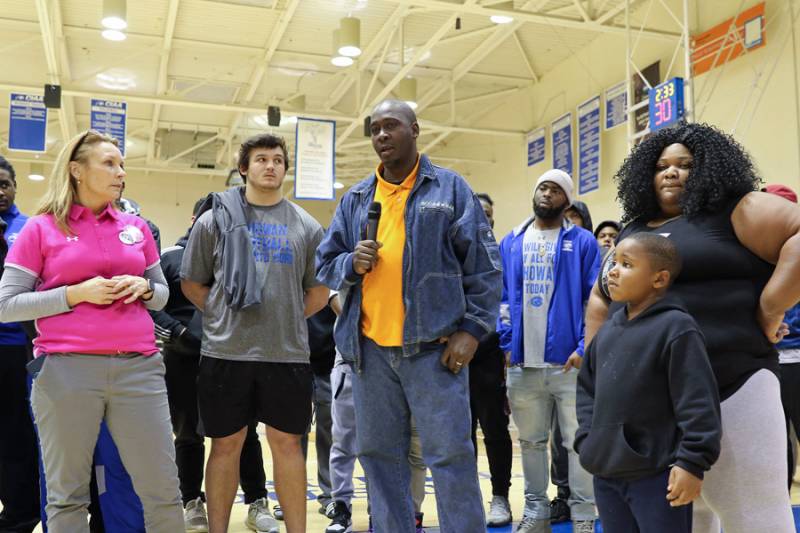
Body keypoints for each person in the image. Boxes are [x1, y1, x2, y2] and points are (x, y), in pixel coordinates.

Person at [584, 122, 800, 533]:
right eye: (662, 165)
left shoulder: (737, 210)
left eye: (685, 165)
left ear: (709, 171)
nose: (671, 172)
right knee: (689, 520)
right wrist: (600, 370)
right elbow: (600, 297)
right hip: (653, 408)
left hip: (733, 388)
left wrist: (770, 310)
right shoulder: (631, 230)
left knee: (755, 517)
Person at [316, 99, 502, 533]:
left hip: (433, 351)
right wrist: (350, 264)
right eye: (375, 128)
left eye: (391, 125)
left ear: (414, 129)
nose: (382, 135)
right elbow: (325, 265)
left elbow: (485, 268)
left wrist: (473, 330)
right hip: (369, 354)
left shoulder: (450, 190)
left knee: (450, 457)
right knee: (380, 459)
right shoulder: (357, 198)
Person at [0, 129, 183, 532]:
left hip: (140, 368)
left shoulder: (136, 228)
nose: (121, 172)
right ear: (76, 171)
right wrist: (74, 294)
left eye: (122, 165)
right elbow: (7, 305)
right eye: (110, 163)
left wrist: (146, 288)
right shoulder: (40, 229)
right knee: (66, 496)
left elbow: (163, 296)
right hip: (65, 370)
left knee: (163, 490)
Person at [180, 132, 329, 533]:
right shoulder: (214, 220)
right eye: (261, 159)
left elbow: (318, 291)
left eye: (278, 160)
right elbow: (192, 282)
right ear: (244, 168)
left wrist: (285, 316)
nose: (270, 166)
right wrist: (223, 314)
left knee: (288, 446)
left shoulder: (307, 225)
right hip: (226, 354)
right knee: (225, 446)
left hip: (286, 355)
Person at [576, 233, 722, 533]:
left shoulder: (676, 328)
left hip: (657, 478)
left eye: (626, 264)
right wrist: (588, 440)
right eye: (613, 262)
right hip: (606, 474)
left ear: (659, 279)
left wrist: (692, 463)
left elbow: (697, 402)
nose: (613, 271)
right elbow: (587, 390)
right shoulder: (607, 331)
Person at [151, 197, 276, 533]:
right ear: (195, 219)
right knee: (188, 435)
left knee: (245, 433)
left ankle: (257, 501)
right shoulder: (171, 257)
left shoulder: (240, 260)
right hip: (183, 362)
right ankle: (192, 502)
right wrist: (178, 334)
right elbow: (151, 305)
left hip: (234, 359)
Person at [498, 169, 599, 533]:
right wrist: (507, 343)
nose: (547, 193)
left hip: (569, 363)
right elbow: (503, 298)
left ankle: (584, 516)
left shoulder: (584, 243)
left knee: (577, 443)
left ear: (567, 200)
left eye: (556, 189)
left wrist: (584, 346)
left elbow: (595, 299)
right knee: (530, 443)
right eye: (543, 186)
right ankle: (536, 513)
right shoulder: (511, 241)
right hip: (524, 363)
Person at [0, 156, 39, 533]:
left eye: (4, 184)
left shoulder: (28, 229)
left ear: (14, 187)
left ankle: (20, 515)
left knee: (15, 436)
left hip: (15, 348)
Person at [471, 192, 514, 527]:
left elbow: (507, 304)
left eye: (488, 212)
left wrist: (504, 345)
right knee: (460, 432)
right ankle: (467, 495)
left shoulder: (502, 255)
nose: (483, 217)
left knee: (495, 429)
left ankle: (500, 496)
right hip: (453, 354)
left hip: (489, 353)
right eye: (477, 212)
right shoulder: (453, 253)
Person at [761, 184, 800, 490]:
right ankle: (781, 500)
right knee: (774, 439)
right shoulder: (757, 254)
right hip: (764, 361)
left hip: (794, 359)